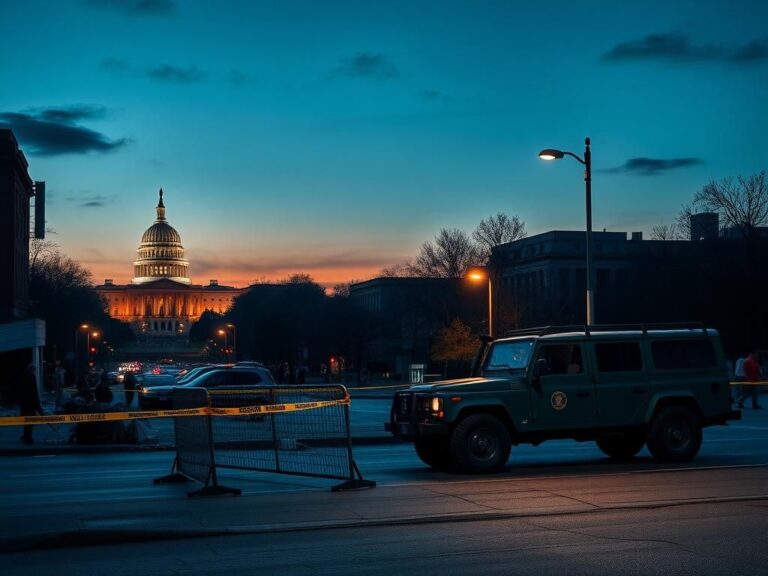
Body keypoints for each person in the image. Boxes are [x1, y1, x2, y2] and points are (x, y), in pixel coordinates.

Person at [18, 364, 43, 444]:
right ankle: (28, 437)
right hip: (30, 403)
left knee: (26, 420)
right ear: (33, 370)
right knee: (30, 420)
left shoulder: (23, 376)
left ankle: (26, 435)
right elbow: (34, 392)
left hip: (24, 403)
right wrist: (38, 407)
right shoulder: (32, 377)